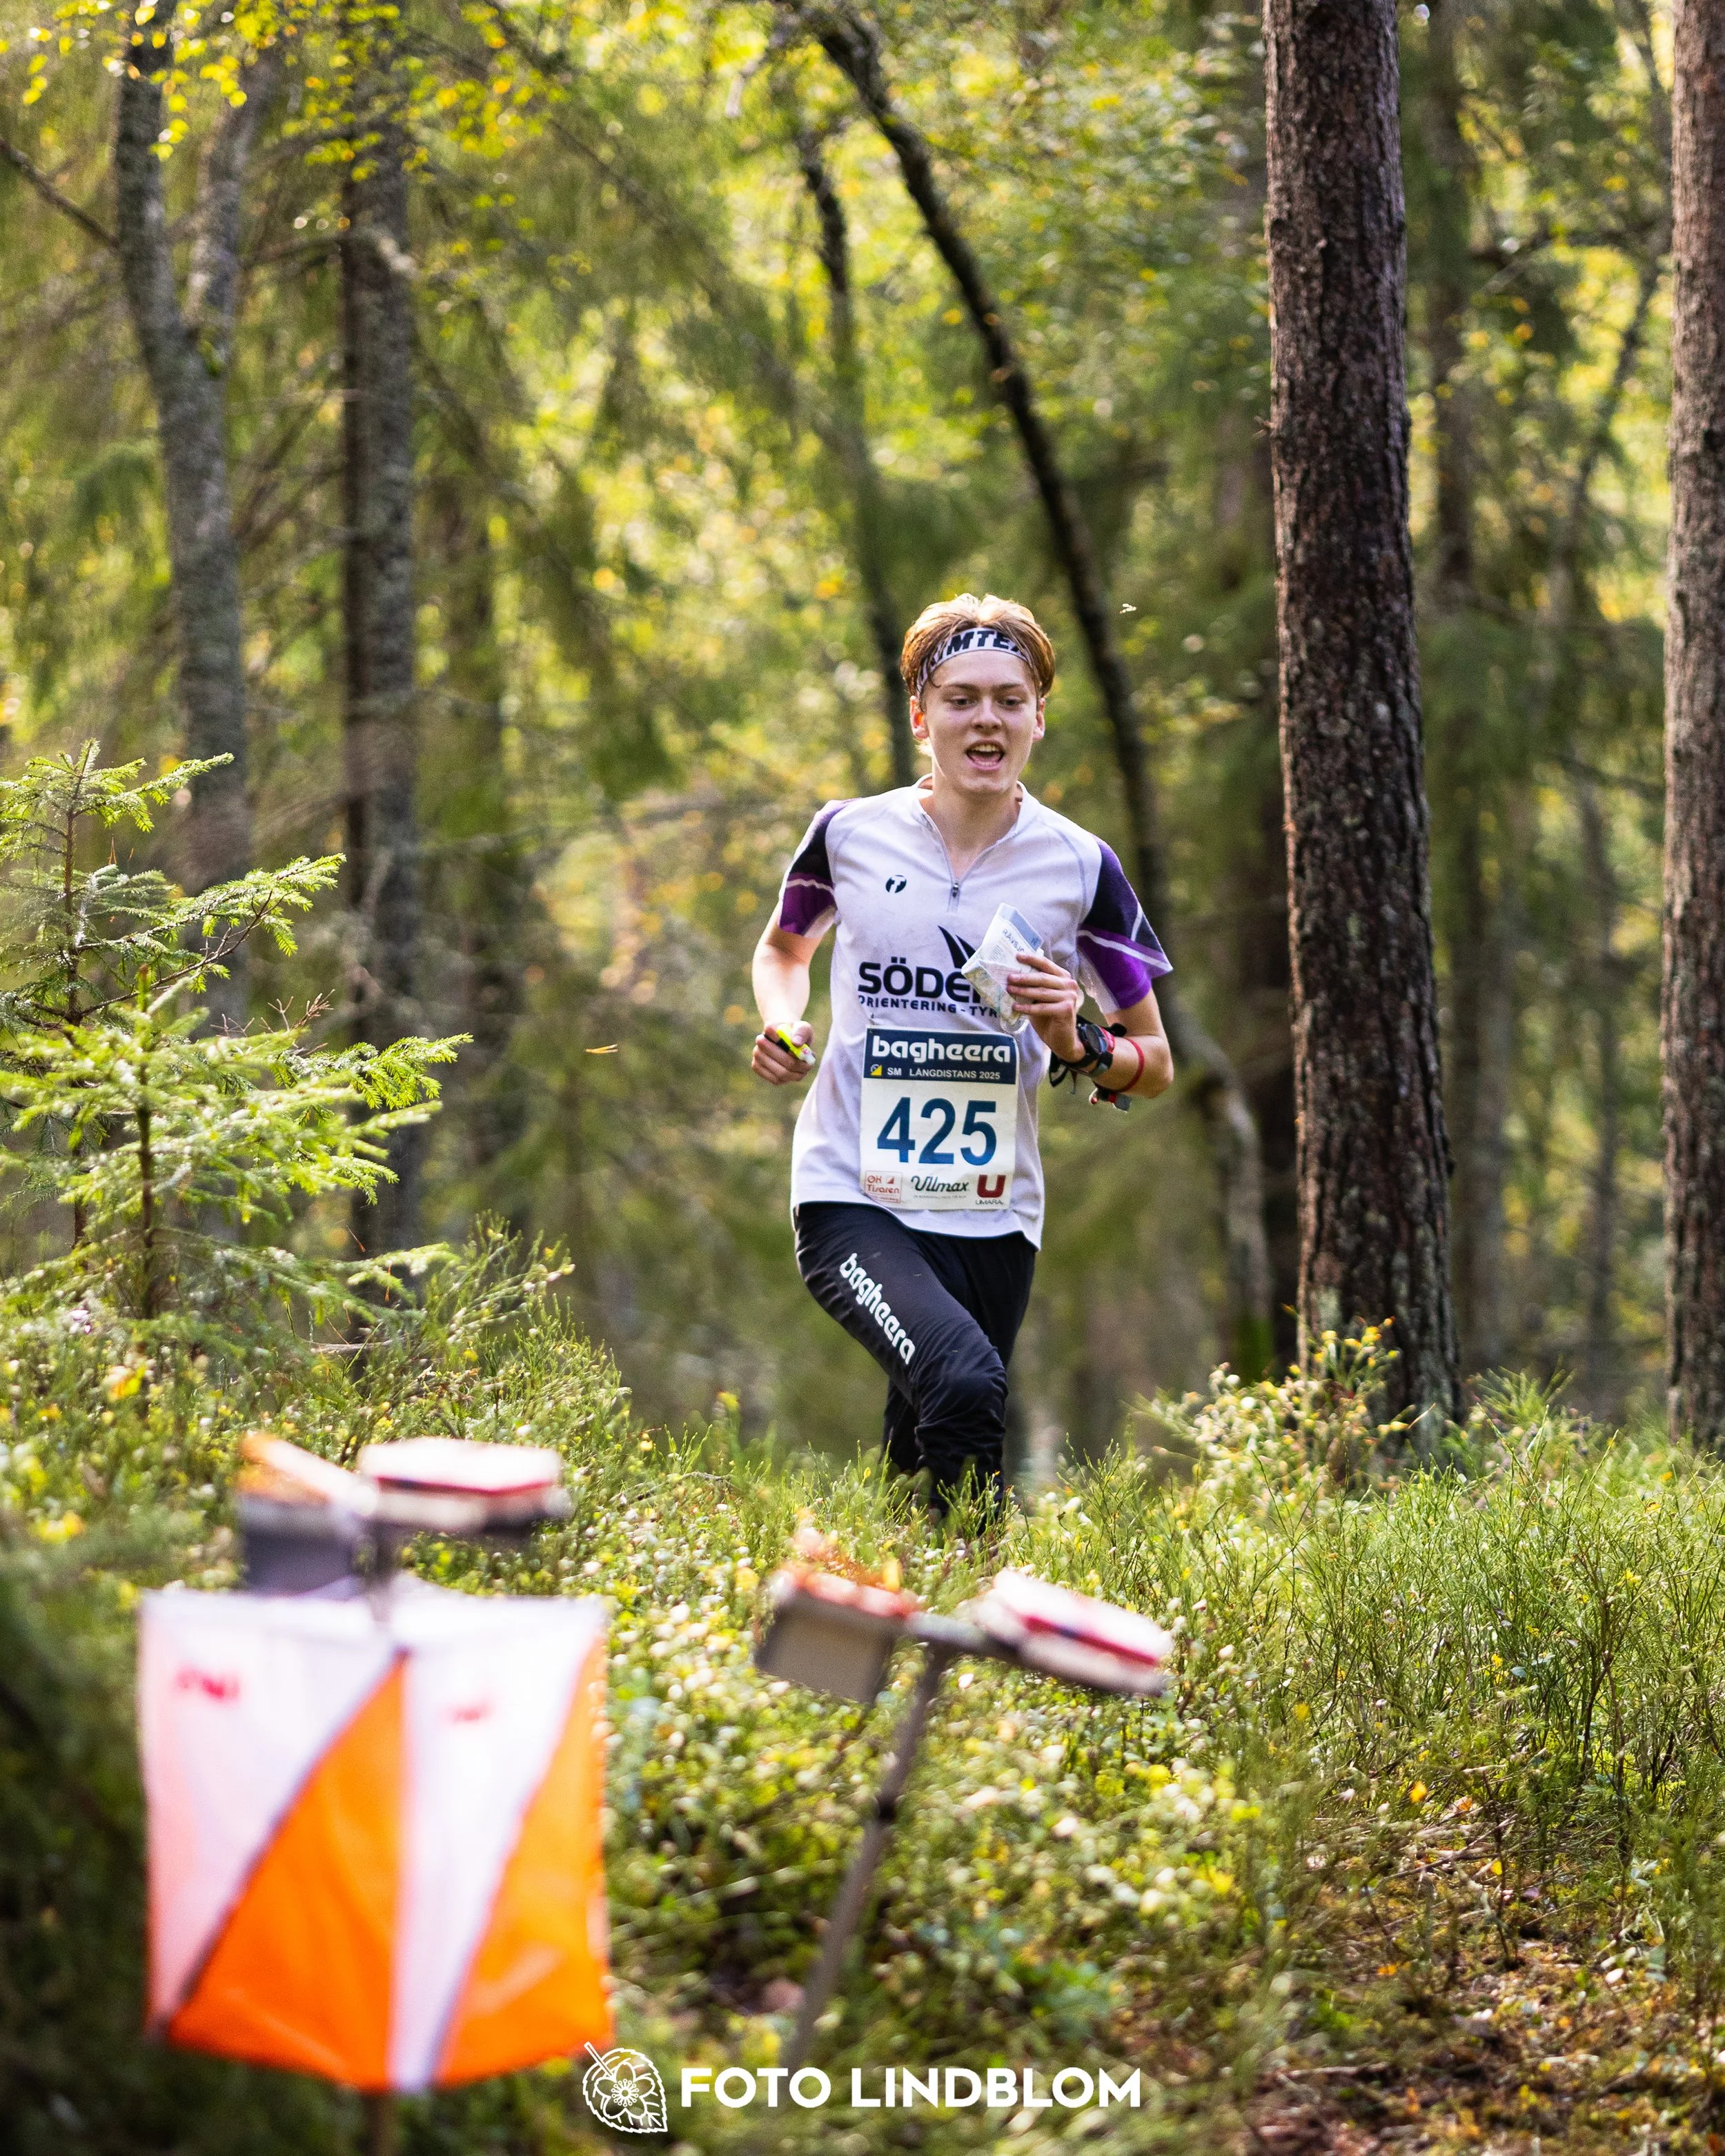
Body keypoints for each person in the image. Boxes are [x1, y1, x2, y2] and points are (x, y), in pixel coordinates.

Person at [751, 593, 1174, 1512]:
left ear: (1038, 719)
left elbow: (1153, 1062)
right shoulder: (850, 832)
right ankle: (977, 1622)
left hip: (992, 1214)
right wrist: (786, 1022)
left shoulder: (1080, 865)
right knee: (966, 1386)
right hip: (850, 1192)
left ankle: (894, 1622)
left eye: (1010, 699)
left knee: (925, 1451)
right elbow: (785, 949)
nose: (987, 717)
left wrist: (1073, 1038)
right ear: (922, 715)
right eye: (962, 697)